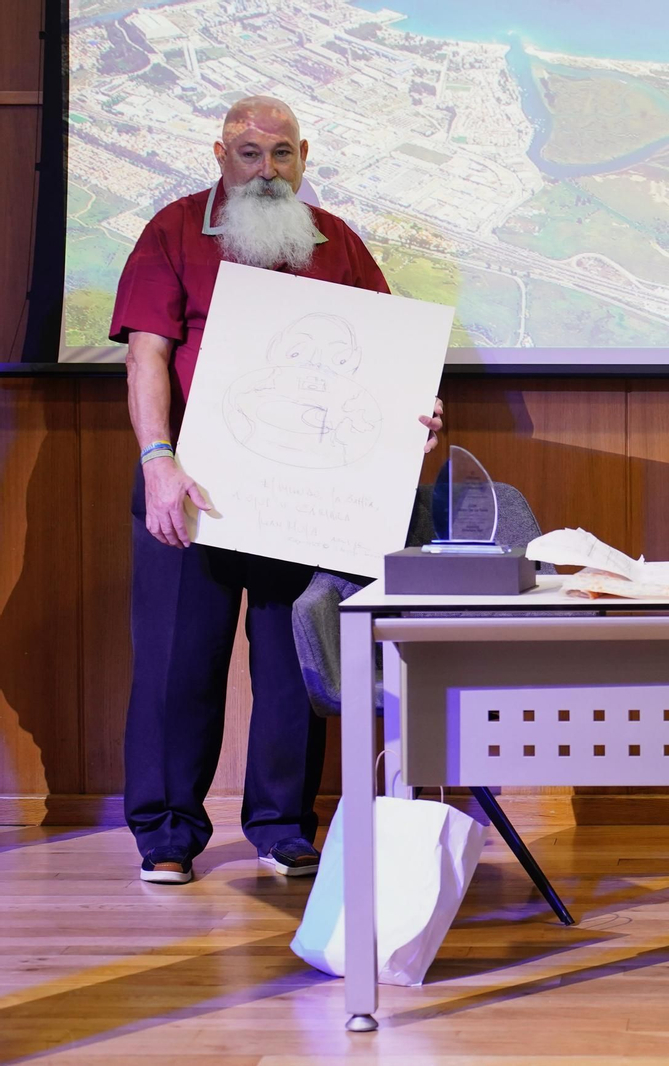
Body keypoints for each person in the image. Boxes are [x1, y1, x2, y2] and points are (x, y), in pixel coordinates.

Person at [110, 96, 443, 885]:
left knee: (293, 661)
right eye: (251, 154)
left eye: (282, 154)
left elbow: (389, 363)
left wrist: (415, 418)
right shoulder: (173, 230)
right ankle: (165, 832)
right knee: (174, 665)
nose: (268, 171)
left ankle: (284, 827)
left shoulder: (339, 245)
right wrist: (158, 460)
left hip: (308, 498)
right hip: (189, 487)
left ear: (304, 156)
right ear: (220, 155)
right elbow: (146, 355)